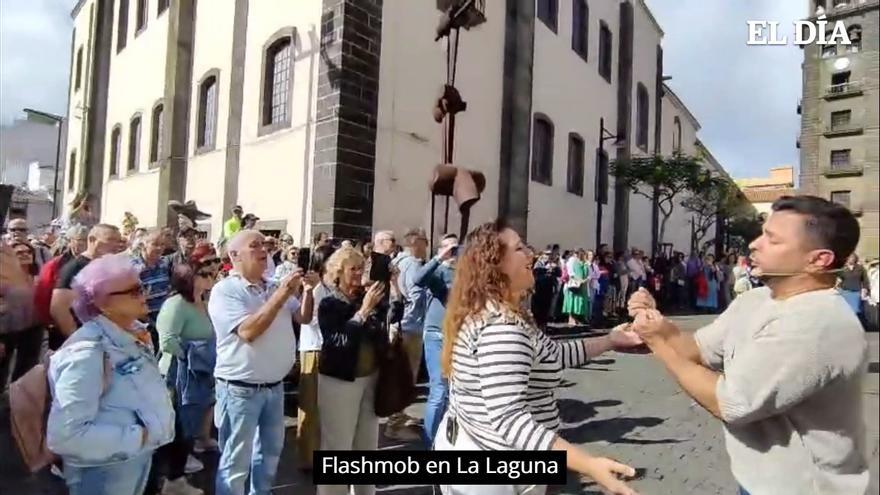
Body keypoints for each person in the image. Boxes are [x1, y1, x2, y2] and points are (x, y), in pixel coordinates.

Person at [628, 195, 869, 495]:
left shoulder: (818, 322)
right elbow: (697, 349)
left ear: (818, 259)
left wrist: (657, 342)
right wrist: (657, 323)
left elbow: (731, 403)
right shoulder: (756, 299)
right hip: (759, 479)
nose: (754, 244)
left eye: (772, 239)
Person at [435, 219, 642, 495]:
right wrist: (588, 464)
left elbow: (553, 354)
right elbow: (510, 419)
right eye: (519, 248)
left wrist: (609, 340)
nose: (530, 254)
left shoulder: (500, 311)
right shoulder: (502, 328)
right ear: (494, 264)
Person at [47, 254, 175, 495]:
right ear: (102, 303)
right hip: (103, 474)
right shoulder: (87, 353)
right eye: (135, 290)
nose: (144, 294)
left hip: (132, 463)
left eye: (142, 286)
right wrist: (141, 435)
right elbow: (65, 437)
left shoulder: (132, 333)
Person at [207, 230, 316, 495]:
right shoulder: (226, 291)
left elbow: (302, 317)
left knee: (268, 457)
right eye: (255, 246)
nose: (264, 251)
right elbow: (248, 332)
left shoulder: (270, 285)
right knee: (235, 463)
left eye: (266, 245)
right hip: (239, 390)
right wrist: (282, 292)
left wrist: (309, 292)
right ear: (234, 255)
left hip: (273, 387)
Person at [317, 246, 388, 495]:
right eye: (353, 269)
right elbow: (339, 342)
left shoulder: (364, 297)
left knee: (367, 447)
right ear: (339, 272)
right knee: (338, 447)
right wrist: (363, 312)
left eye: (361, 268)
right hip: (340, 381)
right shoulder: (329, 303)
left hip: (370, 378)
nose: (359, 274)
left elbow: (394, 316)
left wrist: (394, 286)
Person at [155, 245, 219, 495]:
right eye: (204, 275)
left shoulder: (202, 301)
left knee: (189, 425)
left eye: (212, 274)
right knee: (177, 428)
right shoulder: (176, 304)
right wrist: (195, 356)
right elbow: (167, 340)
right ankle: (172, 479)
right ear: (188, 278)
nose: (210, 278)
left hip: (196, 375)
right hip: (176, 375)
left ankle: (176, 478)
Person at [414, 233, 458, 446]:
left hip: (459, 338)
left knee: (454, 393)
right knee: (439, 391)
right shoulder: (437, 272)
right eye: (447, 248)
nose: (452, 252)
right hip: (436, 336)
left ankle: (447, 442)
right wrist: (439, 258)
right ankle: (429, 444)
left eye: (454, 248)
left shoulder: (463, 273)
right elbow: (418, 279)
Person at [387, 228, 429, 442]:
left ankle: (398, 417)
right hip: (410, 327)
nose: (427, 247)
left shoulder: (401, 262)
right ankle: (394, 425)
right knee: (405, 377)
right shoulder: (412, 265)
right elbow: (415, 297)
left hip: (401, 325)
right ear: (415, 243)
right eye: (425, 242)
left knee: (399, 375)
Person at [296, 244, 335, 471]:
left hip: (325, 348)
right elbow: (309, 320)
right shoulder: (316, 288)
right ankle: (309, 457)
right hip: (314, 348)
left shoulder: (327, 287)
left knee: (325, 406)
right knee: (310, 406)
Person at [51, 224, 124, 338]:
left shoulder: (108, 265)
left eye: (118, 241)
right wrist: (75, 336)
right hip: (85, 337)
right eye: (110, 240)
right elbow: (58, 306)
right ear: (92, 239)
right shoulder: (75, 267)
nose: (116, 245)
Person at [36, 225, 89, 350]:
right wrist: (49, 320)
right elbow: (43, 292)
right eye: (79, 240)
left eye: (86, 240)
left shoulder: (91, 262)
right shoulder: (56, 264)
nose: (83, 244)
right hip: (59, 322)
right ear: (70, 241)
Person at [131, 229, 174, 350]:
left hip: (162, 318)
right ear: (143, 245)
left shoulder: (163, 265)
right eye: (155, 244)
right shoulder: (134, 268)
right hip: (143, 321)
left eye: (162, 244)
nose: (159, 248)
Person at [562, 249, 589, 325]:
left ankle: (578, 317)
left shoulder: (584, 263)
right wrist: (579, 280)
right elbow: (571, 273)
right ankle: (571, 318)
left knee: (580, 302)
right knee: (572, 300)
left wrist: (585, 279)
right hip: (574, 284)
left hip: (582, 284)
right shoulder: (572, 261)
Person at [838, 253, 868, 317]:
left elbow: (865, 280)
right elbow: (838, 279)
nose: (850, 259)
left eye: (852, 257)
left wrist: (865, 289)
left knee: (856, 311)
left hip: (856, 293)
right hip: (844, 292)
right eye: (849, 257)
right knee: (845, 311)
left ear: (855, 259)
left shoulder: (860, 268)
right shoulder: (843, 268)